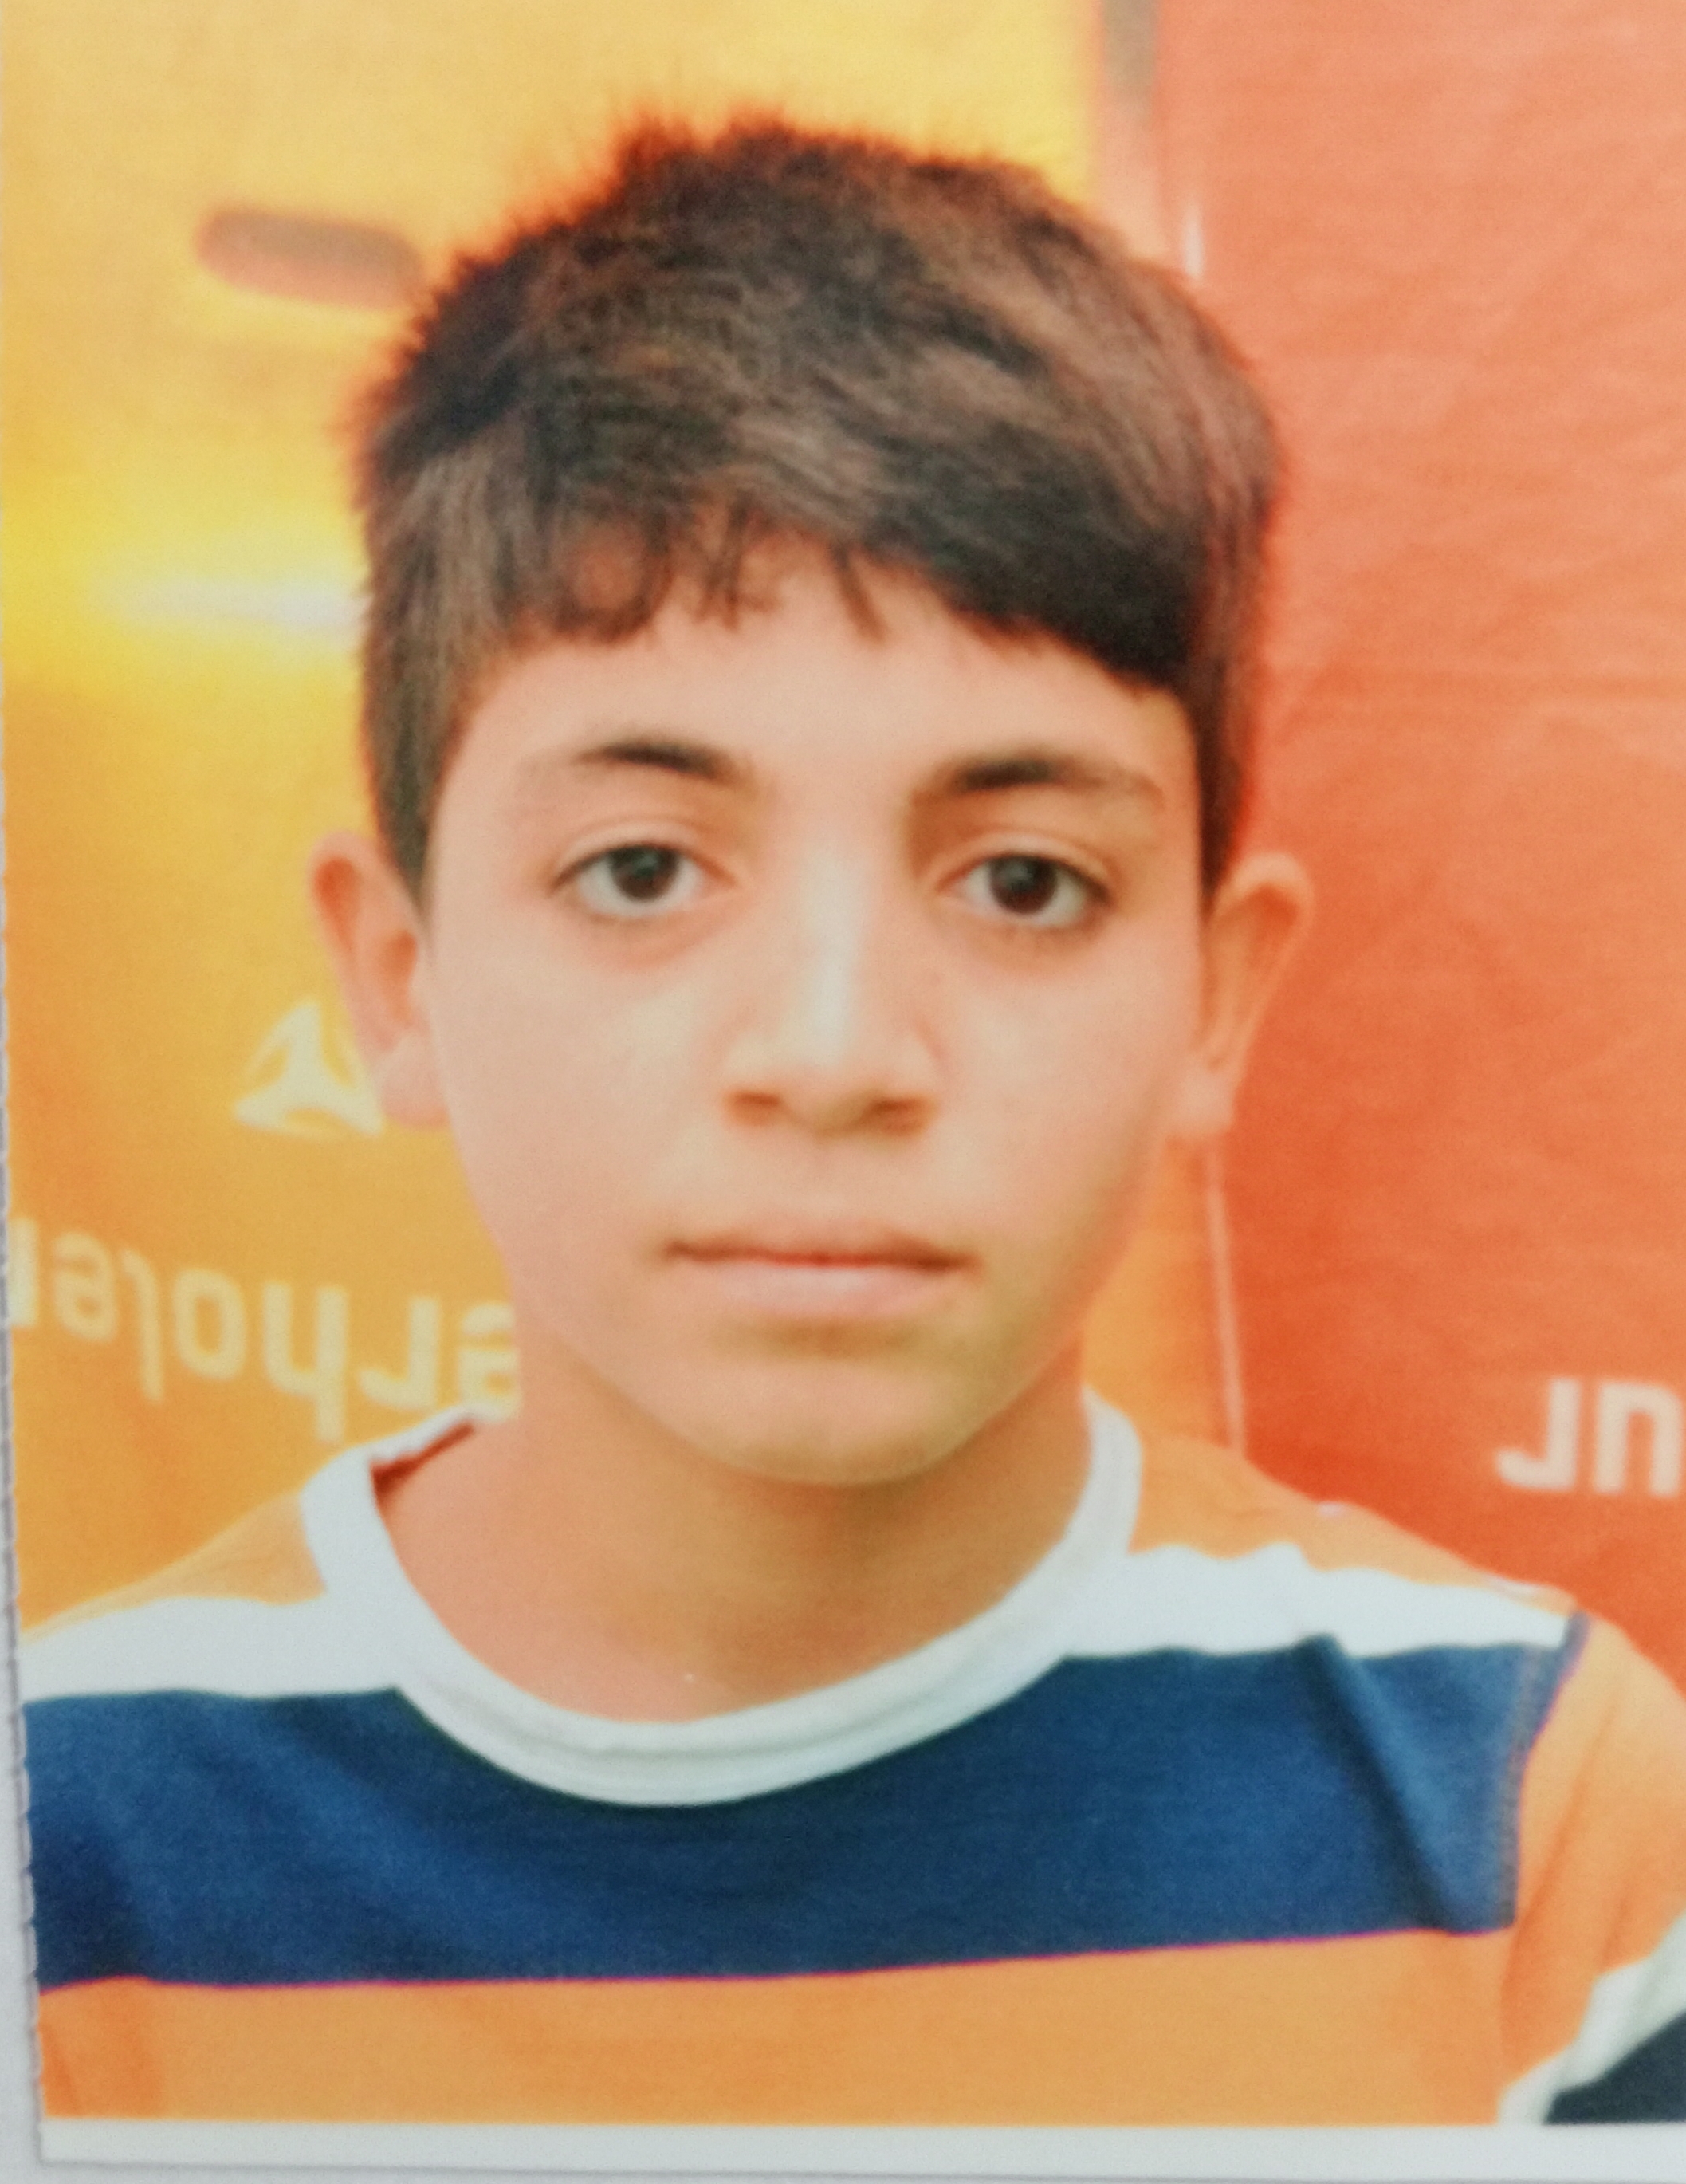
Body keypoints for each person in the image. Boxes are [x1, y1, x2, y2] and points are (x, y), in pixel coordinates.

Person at [21, 118, 1686, 2138]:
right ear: (397, 976)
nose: (830, 1051)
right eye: (641, 868)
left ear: (1214, 997)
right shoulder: (64, 1843)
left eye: (1020, 882)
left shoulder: (1533, 1824)